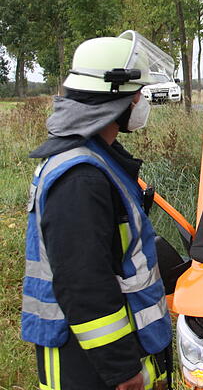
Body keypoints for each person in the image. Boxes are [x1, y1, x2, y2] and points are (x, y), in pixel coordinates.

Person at [22, 31, 174, 389]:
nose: (141, 101)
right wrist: (122, 371)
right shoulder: (80, 179)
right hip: (89, 369)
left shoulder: (97, 161)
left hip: (99, 362)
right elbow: (83, 284)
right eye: (137, 94)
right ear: (116, 100)